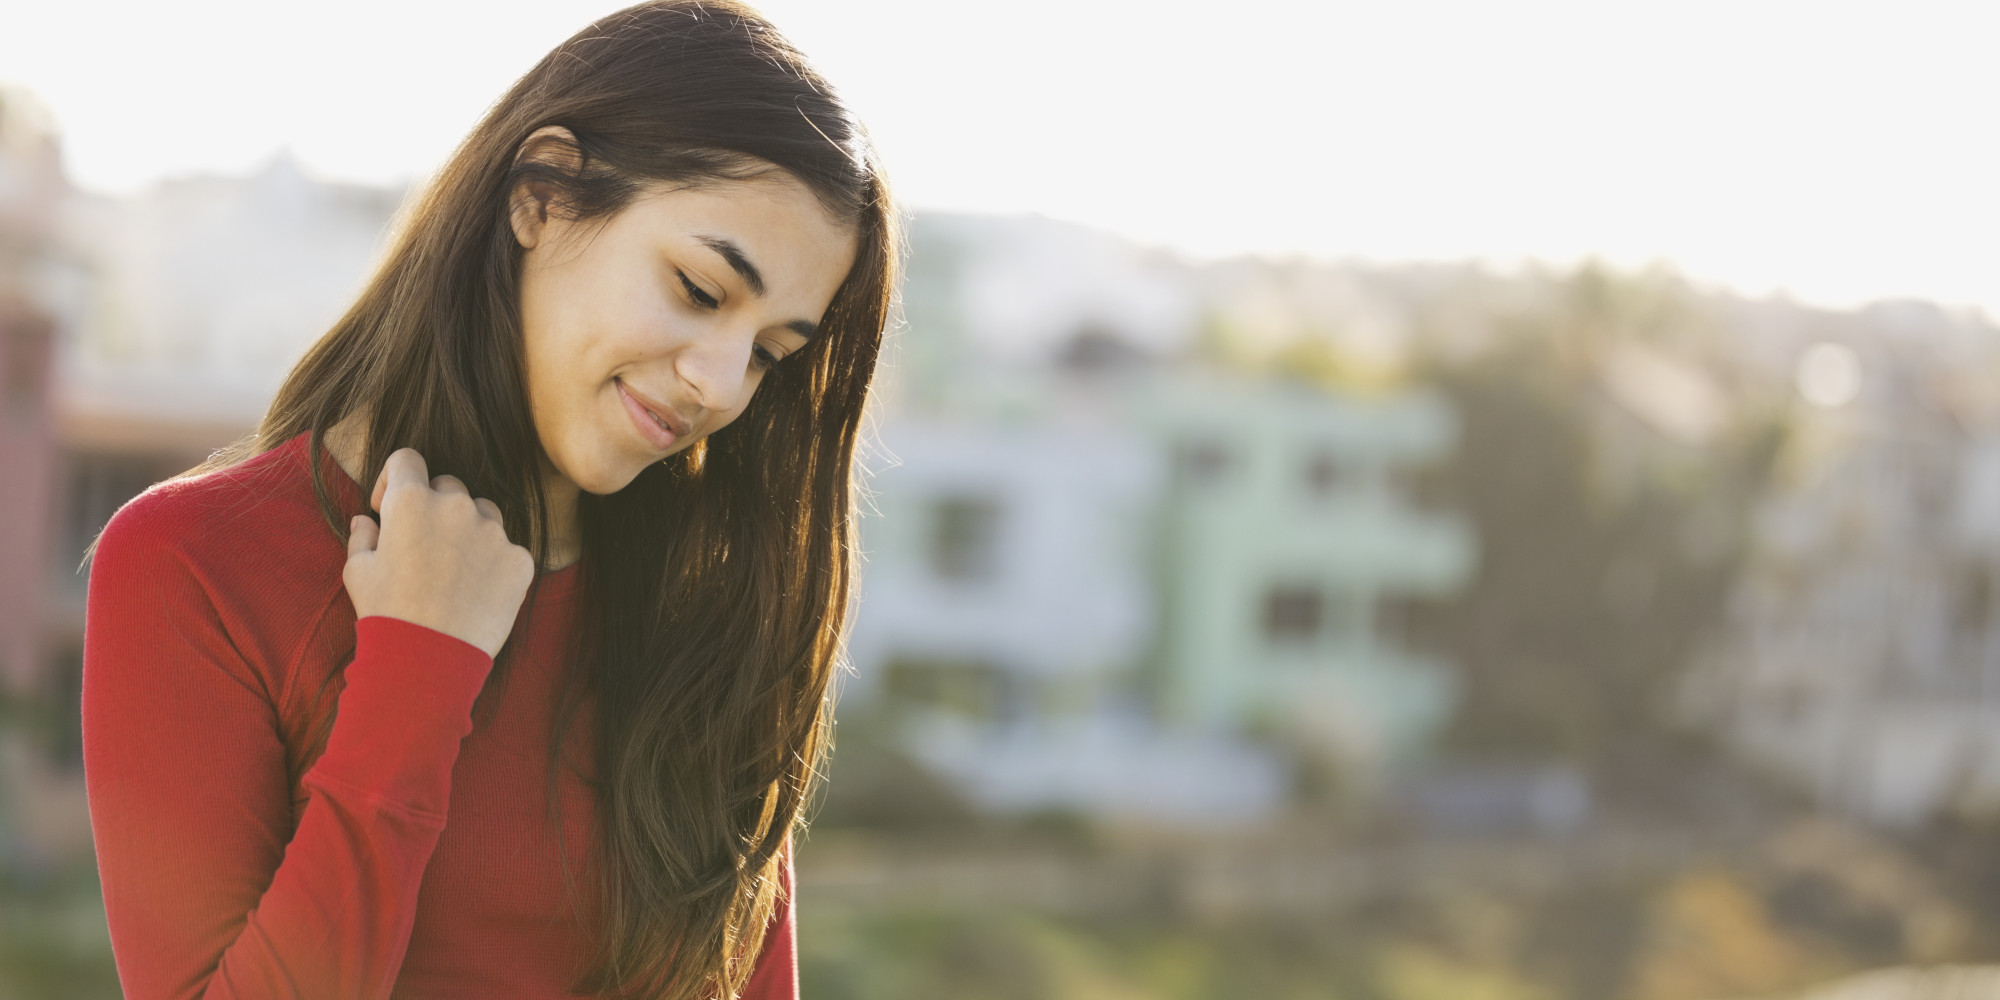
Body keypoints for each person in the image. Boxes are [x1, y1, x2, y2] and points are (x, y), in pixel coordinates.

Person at [79, 2, 894, 997]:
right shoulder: (194, 563)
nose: (721, 386)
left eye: (770, 353)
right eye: (697, 288)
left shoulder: (701, 604)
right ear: (542, 195)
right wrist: (420, 668)